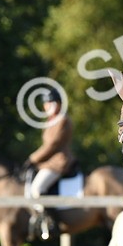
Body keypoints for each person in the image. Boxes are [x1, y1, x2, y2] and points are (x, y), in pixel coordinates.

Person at [24, 89, 74, 237]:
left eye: (51, 103)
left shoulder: (62, 120)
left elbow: (53, 145)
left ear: (59, 104)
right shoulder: (50, 121)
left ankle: (52, 222)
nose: (48, 106)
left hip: (59, 162)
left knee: (37, 189)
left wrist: (32, 159)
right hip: (48, 162)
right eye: (46, 104)